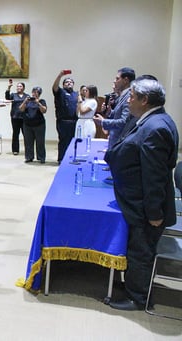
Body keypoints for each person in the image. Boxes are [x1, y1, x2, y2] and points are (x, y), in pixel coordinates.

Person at [105, 78, 179, 311]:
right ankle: (132, 286)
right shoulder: (150, 119)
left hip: (147, 207)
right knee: (136, 247)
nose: (130, 101)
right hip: (137, 200)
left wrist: (154, 212)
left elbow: (154, 176)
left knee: (141, 250)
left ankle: (137, 297)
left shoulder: (156, 127)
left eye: (133, 97)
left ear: (145, 100)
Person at [93, 67, 135, 148]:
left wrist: (103, 122)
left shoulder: (129, 96)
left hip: (120, 142)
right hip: (115, 140)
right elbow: (118, 115)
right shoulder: (123, 95)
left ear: (126, 80)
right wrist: (110, 112)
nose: (114, 81)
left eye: (117, 78)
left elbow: (124, 122)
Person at [52, 70, 78, 163]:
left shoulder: (76, 94)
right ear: (63, 85)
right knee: (63, 141)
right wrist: (60, 75)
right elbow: (54, 87)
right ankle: (61, 159)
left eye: (71, 82)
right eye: (67, 82)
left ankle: (71, 158)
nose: (69, 83)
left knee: (73, 141)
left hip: (74, 122)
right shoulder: (60, 92)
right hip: (63, 122)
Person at [19, 86, 47, 163]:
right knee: (28, 142)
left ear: (39, 94)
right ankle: (29, 157)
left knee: (40, 142)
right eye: (33, 92)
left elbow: (44, 110)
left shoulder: (42, 101)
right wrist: (25, 101)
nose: (34, 94)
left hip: (39, 125)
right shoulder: (27, 101)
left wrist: (38, 103)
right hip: (27, 125)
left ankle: (41, 157)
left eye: (37, 92)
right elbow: (21, 109)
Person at [5, 79, 28, 155]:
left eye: (20, 86)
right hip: (15, 117)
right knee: (15, 133)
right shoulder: (13, 95)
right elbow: (7, 98)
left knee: (26, 134)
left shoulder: (26, 96)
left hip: (24, 117)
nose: (18, 87)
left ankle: (28, 149)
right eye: (17, 86)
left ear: (23, 88)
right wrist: (9, 87)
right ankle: (15, 150)